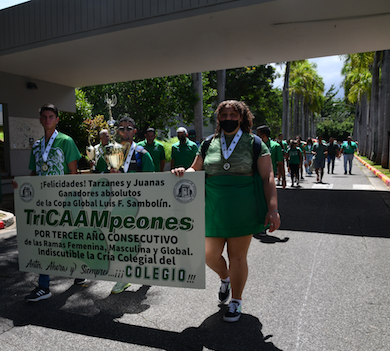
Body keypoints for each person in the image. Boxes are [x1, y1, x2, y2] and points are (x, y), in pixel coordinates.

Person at [171, 100, 280, 323]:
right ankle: (225, 278)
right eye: (224, 115)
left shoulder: (255, 143)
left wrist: (273, 209)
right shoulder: (208, 143)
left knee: (237, 256)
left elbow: (267, 177)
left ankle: (236, 301)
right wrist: (185, 171)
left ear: (242, 118)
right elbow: (195, 168)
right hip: (212, 208)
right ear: (218, 119)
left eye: (233, 115)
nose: (228, 119)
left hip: (243, 208)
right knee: (209, 255)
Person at [12, 103, 86, 302]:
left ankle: (79, 272)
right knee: (45, 241)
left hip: (65, 200)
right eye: (44, 116)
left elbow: (72, 172)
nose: (47, 120)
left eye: (51, 116)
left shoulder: (66, 141)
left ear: (57, 119)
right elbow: (35, 172)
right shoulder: (36, 146)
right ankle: (44, 286)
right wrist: (22, 184)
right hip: (44, 203)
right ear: (40, 119)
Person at [97, 116, 156, 294]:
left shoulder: (142, 154)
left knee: (140, 242)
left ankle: (146, 272)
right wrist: (108, 172)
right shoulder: (109, 152)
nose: (125, 131)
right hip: (115, 205)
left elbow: (152, 182)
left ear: (135, 131)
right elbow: (97, 176)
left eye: (129, 128)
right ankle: (123, 276)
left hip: (138, 206)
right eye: (121, 128)